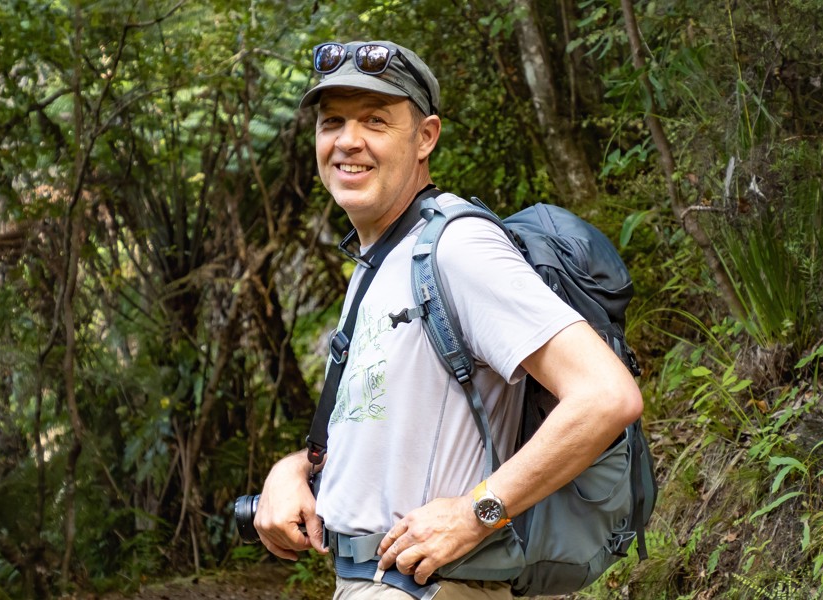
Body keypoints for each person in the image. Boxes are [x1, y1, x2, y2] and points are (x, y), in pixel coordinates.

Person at [253, 40, 642, 599]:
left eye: (376, 121)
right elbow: (393, 434)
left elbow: (607, 396)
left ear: (425, 137)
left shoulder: (457, 248)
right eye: (332, 121)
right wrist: (297, 468)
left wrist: (476, 512)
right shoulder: (379, 260)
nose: (347, 141)